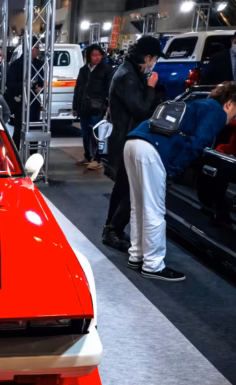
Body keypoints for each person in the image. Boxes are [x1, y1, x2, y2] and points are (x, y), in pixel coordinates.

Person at [124, 83, 236, 281]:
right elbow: (198, 143)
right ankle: (153, 265)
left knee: (139, 206)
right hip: (153, 148)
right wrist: (174, 170)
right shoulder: (216, 112)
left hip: (134, 141)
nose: (234, 118)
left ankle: (136, 256)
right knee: (154, 211)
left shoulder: (198, 104)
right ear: (229, 103)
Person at [102, 36, 163, 252]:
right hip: (126, 139)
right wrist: (150, 88)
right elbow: (141, 110)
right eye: (154, 58)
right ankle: (113, 230)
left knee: (123, 187)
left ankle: (112, 229)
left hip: (125, 139)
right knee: (129, 189)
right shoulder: (128, 76)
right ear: (147, 57)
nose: (154, 63)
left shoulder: (129, 72)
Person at [72, 44, 112, 171]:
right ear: (89, 56)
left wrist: (108, 104)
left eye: (99, 55)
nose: (97, 57)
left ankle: (97, 159)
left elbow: (110, 89)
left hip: (98, 107)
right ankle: (88, 156)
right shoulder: (83, 70)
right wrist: (75, 106)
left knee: (97, 134)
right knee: (85, 132)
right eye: (94, 55)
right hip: (84, 107)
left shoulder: (106, 70)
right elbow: (78, 89)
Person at [5, 37, 43, 148]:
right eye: (36, 48)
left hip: (34, 102)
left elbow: (41, 82)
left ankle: (33, 154)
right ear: (29, 48)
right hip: (20, 103)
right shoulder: (16, 64)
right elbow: (10, 84)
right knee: (18, 130)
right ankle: (14, 154)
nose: (38, 50)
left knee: (34, 130)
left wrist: (38, 87)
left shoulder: (40, 64)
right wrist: (26, 85)